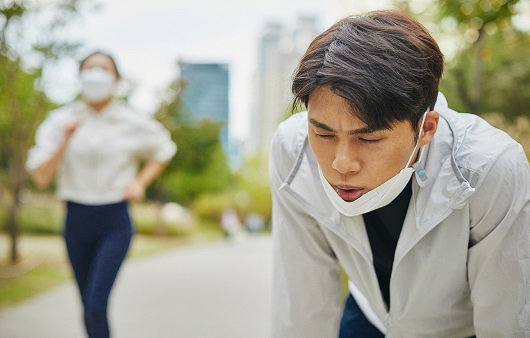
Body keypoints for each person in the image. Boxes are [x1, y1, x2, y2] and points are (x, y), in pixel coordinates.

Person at [269, 10, 530, 338]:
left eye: (368, 138)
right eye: (323, 134)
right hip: (369, 319)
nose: (342, 163)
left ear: (426, 128)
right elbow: (302, 306)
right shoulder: (293, 152)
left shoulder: (489, 168)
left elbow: (507, 320)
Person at [26, 51, 177, 338]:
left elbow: (164, 150)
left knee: (96, 304)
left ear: (116, 79)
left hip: (114, 219)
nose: (96, 73)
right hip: (76, 218)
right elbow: (41, 177)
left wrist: (141, 181)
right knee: (87, 306)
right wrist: (66, 140)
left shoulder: (131, 121)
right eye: (89, 67)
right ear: (80, 76)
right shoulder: (60, 120)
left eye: (103, 68)